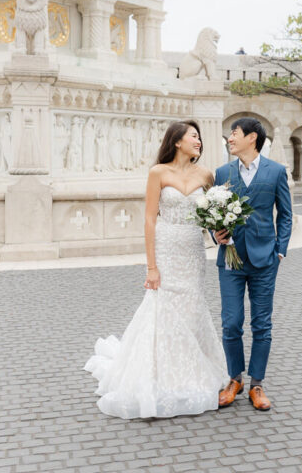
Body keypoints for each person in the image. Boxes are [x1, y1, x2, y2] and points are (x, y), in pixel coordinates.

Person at [84, 120, 228, 419]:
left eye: (199, 137)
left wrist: (220, 233)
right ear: (177, 141)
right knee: (163, 308)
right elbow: (150, 219)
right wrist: (151, 266)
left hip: (192, 249)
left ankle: (191, 368)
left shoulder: (206, 175)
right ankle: (160, 374)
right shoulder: (158, 173)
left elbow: (211, 217)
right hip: (166, 246)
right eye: (193, 136)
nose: (199, 141)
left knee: (191, 307)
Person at [213, 117, 293, 411]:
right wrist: (215, 234)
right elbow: (214, 213)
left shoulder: (276, 172)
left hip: (264, 260)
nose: (230, 139)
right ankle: (234, 379)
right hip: (231, 261)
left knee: (262, 325)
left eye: (234, 134)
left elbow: (285, 215)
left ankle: (256, 384)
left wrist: (280, 251)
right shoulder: (222, 172)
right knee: (231, 322)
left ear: (252, 138)